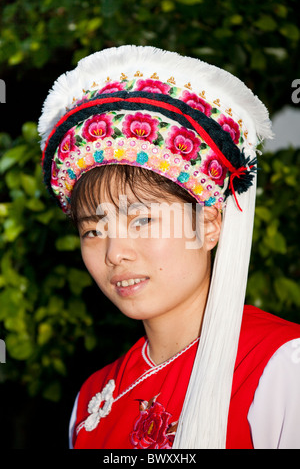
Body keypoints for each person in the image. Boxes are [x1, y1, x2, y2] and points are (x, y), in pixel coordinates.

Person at [38, 45, 300, 449]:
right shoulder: (92, 400)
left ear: (209, 224)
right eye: (92, 230)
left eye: (142, 220)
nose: (114, 253)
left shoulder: (279, 367)